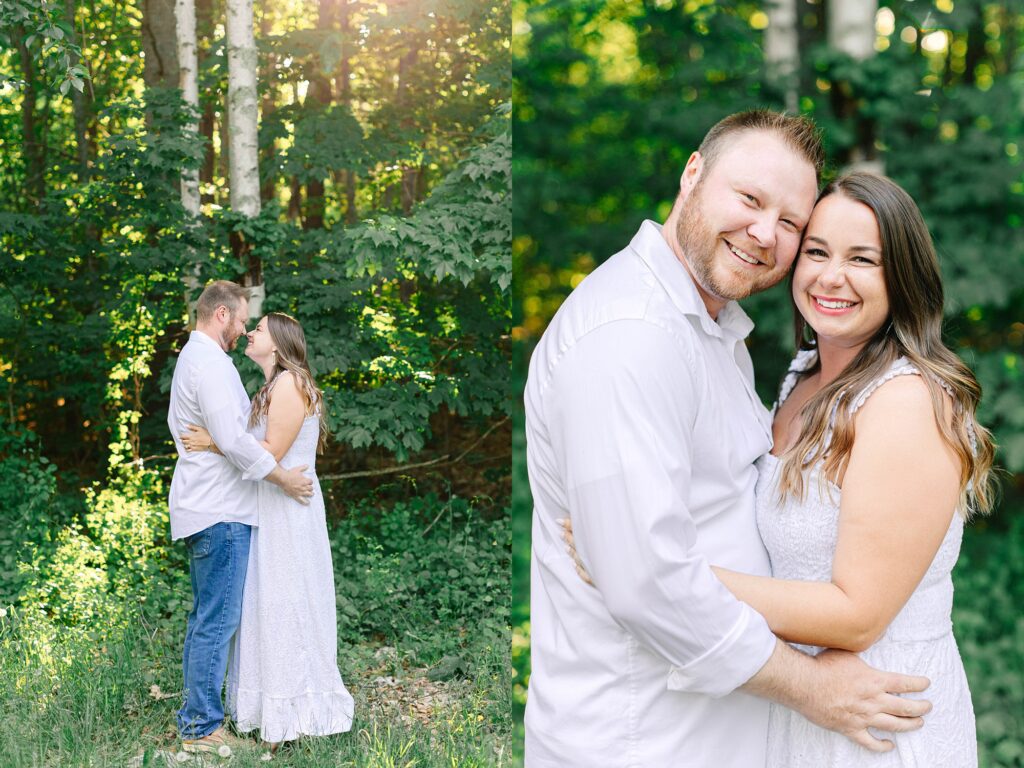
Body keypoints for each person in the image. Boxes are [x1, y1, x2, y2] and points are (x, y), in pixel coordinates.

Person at [523, 110, 932, 768]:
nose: (765, 232)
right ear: (693, 175)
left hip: (726, 732)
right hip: (639, 738)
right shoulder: (629, 337)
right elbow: (645, 584)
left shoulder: (712, 332)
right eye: (749, 198)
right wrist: (812, 691)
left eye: (792, 222)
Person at [707, 172, 994, 765]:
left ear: (903, 277)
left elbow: (857, 615)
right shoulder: (803, 377)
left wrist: (662, 571)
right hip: (801, 709)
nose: (830, 276)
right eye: (817, 252)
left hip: (882, 722)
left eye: (863, 259)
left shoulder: (906, 401)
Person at [181, 311, 355, 749]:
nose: (249, 333)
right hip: (269, 509)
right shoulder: (272, 387)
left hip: (288, 512)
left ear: (276, 344)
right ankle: (269, 711)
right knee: (266, 608)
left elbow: (270, 451)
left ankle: (295, 714)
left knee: (287, 606)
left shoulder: (291, 384)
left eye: (257, 329)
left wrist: (213, 443)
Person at [167, 281, 314, 753]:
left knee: (209, 619)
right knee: (216, 621)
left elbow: (229, 437)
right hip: (220, 509)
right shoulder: (209, 364)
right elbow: (234, 441)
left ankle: (200, 721)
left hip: (217, 506)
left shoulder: (205, 361)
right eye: (244, 318)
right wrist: (283, 480)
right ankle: (202, 730)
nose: (246, 328)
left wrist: (219, 442)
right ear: (223, 315)